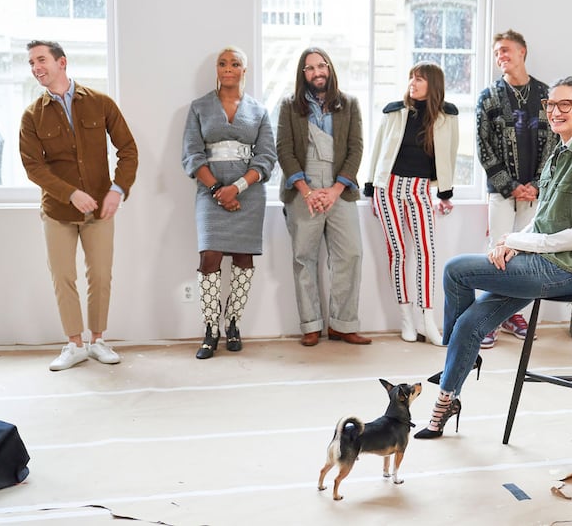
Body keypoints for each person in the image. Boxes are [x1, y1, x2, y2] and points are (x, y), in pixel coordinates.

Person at [414, 77, 572, 439]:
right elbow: (543, 222)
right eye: (550, 105)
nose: (555, 111)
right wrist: (513, 241)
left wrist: (521, 244)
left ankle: (456, 359)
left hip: (569, 270)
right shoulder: (560, 149)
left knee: (455, 270)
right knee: (469, 325)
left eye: (565, 105)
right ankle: (448, 398)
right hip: (542, 264)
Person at [19, 40, 138, 371]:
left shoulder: (100, 103)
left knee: (100, 275)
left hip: (100, 210)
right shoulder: (32, 116)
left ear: (62, 62)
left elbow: (127, 148)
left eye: (41, 59)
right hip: (57, 212)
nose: (35, 67)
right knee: (63, 276)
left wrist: (118, 189)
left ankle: (97, 340)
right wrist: (70, 193)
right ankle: (74, 344)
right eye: (31, 63)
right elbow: (34, 167)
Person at [182, 46, 277, 359]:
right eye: (222, 63)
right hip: (210, 193)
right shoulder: (199, 107)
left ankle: (233, 323)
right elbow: (192, 155)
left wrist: (236, 188)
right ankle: (210, 328)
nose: (227, 68)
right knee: (210, 256)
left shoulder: (259, 111)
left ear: (243, 70)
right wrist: (217, 191)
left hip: (248, 194)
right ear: (217, 70)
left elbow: (266, 157)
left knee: (243, 258)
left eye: (234, 64)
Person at [276, 47, 371, 347]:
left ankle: (343, 324)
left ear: (329, 68)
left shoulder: (350, 104)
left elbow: (356, 148)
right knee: (304, 258)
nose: (317, 72)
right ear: (302, 74)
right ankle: (311, 325)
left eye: (322, 66)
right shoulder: (289, 106)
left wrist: (334, 190)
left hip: (339, 186)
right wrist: (306, 191)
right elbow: (284, 149)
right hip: (302, 187)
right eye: (310, 68)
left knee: (351, 254)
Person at [365, 61, 459, 346]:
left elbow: (449, 154)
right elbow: (378, 149)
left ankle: (427, 319)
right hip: (389, 188)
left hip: (420, 190)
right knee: (399, 252)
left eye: (419, 79)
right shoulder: (394, 112)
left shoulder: (447, 116)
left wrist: (445, 193)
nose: (413, 83)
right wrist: (370, 186)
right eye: (411, 78)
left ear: (433, 84)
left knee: (427, 252)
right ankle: (406, 317)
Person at [476, 29, 559, 348]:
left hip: (535, 192)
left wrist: (537, 185)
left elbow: (555, 141)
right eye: (497, 52)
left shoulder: (545, 94)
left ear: (523, 52)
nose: (501, 56)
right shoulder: (489, 96)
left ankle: (512, 314)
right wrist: (510, 186)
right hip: (501, 191)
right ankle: (488, 319)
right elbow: (483, 147)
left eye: (506, 50)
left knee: (524, 254)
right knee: (496, 252)